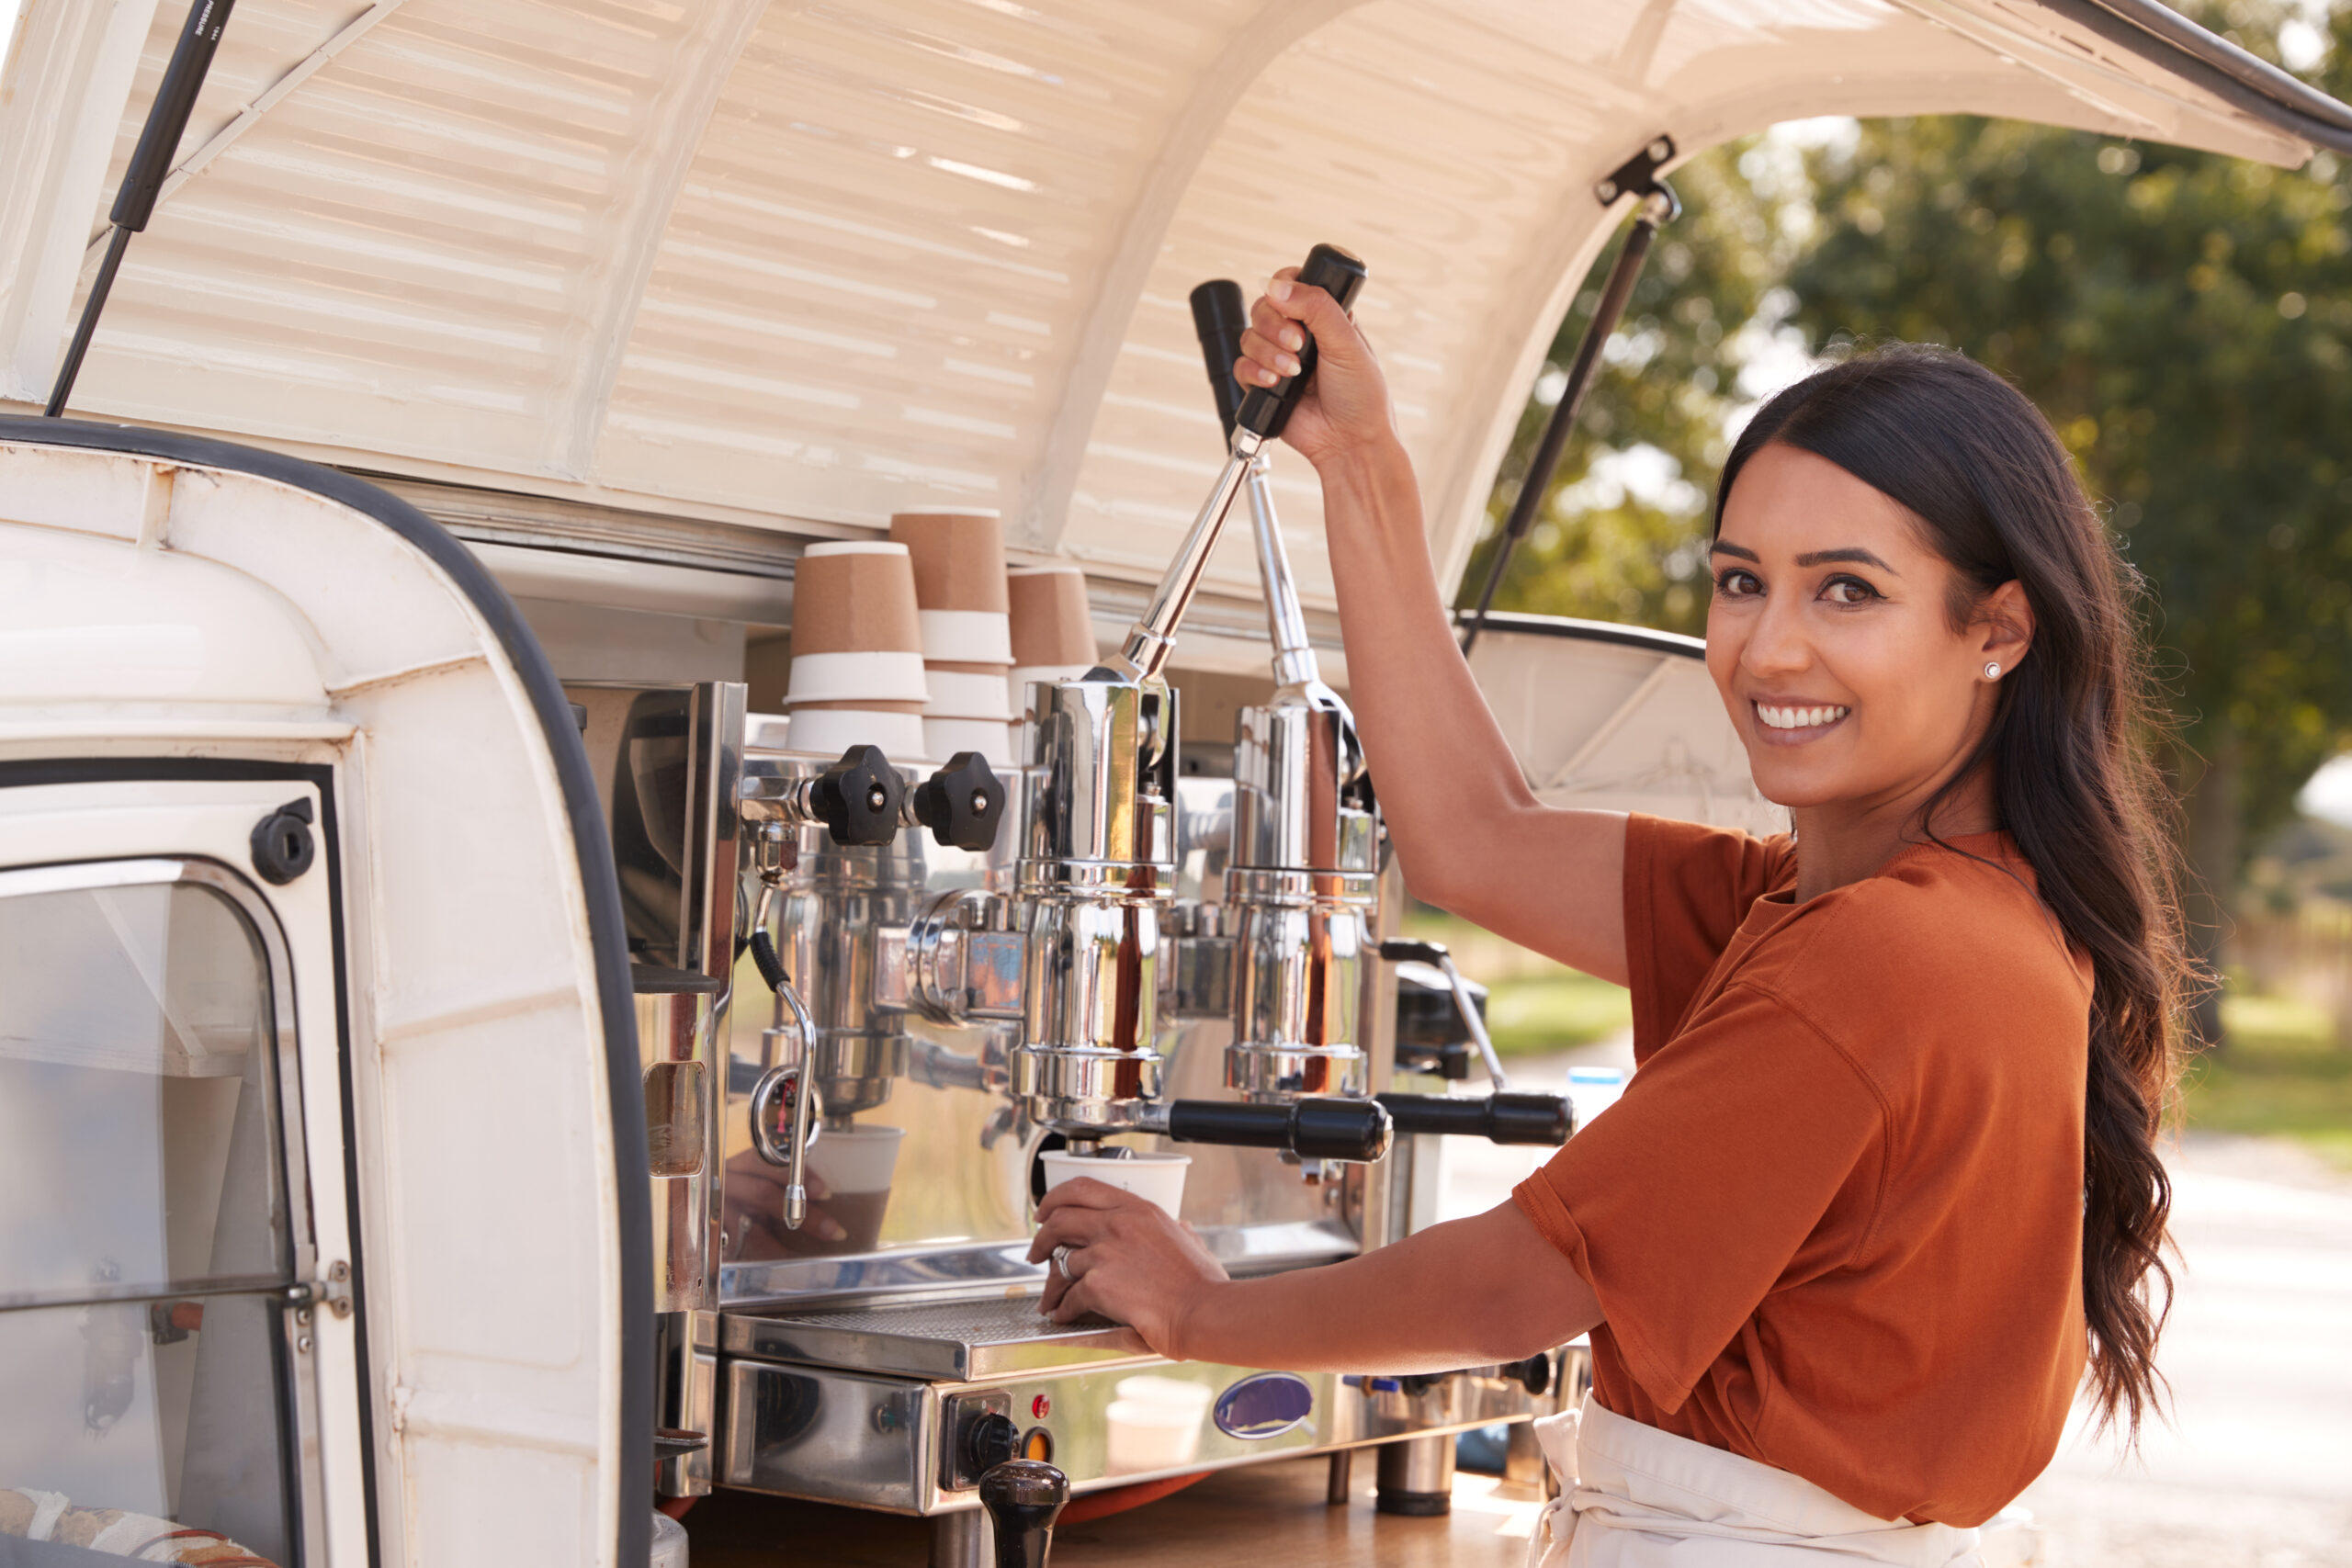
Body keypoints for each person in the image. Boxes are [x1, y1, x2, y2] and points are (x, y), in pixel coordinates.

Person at [1027, 273, 2193, 1563]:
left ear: (2000, 629)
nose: (1769, 650)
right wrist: (1358, 463)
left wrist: (1200, 1312)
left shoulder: (1892, 952)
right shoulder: (1868, 906)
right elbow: (1475, 836)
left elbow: (1520, 1284)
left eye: (1847, 591)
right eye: (1742, 582)